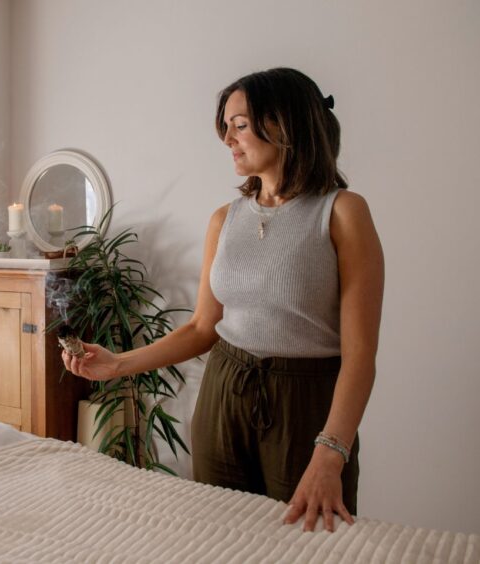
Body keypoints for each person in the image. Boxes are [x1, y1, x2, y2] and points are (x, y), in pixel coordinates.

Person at [62, 67, 384, 533]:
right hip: (223, 394)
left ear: (284, 123)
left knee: (308, 544)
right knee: (220, 538)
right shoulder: (224, 219)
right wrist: (116, 365)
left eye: (240, 125)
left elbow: (360, 357)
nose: (228, 139)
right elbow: (201, 328)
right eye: (226, 127)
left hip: (306, 403)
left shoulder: (342, 212)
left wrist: (331, 453)